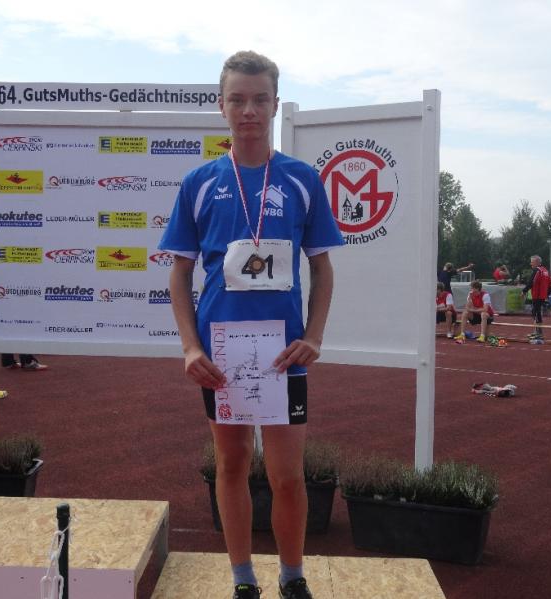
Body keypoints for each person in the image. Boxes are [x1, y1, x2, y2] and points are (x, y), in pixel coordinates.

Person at [158, 51, 343, 599]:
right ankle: (242, 579)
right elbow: (179, 274)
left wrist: (314, 336)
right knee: (232, 464)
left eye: (260, 99)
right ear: (221, 107)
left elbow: (322, 267)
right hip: (221, 355)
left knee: (288, 476)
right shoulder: (199, 182)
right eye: (237, 99)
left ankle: (292, 576)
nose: (249, 110)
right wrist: (190, 347)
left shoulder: (302, 180)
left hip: (284, 354)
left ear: (275, 105)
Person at [522, 255, 551, 340]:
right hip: (542, 295)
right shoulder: (545, 271)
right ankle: (537, 332)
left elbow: (531, 282)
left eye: (532, 262)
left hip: (537, 295)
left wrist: (524, 291)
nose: (530, 263)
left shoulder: (537, 270)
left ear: (537, 262)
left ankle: (539, 333)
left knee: (536, 313)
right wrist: (547, 294)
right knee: (536, 312)